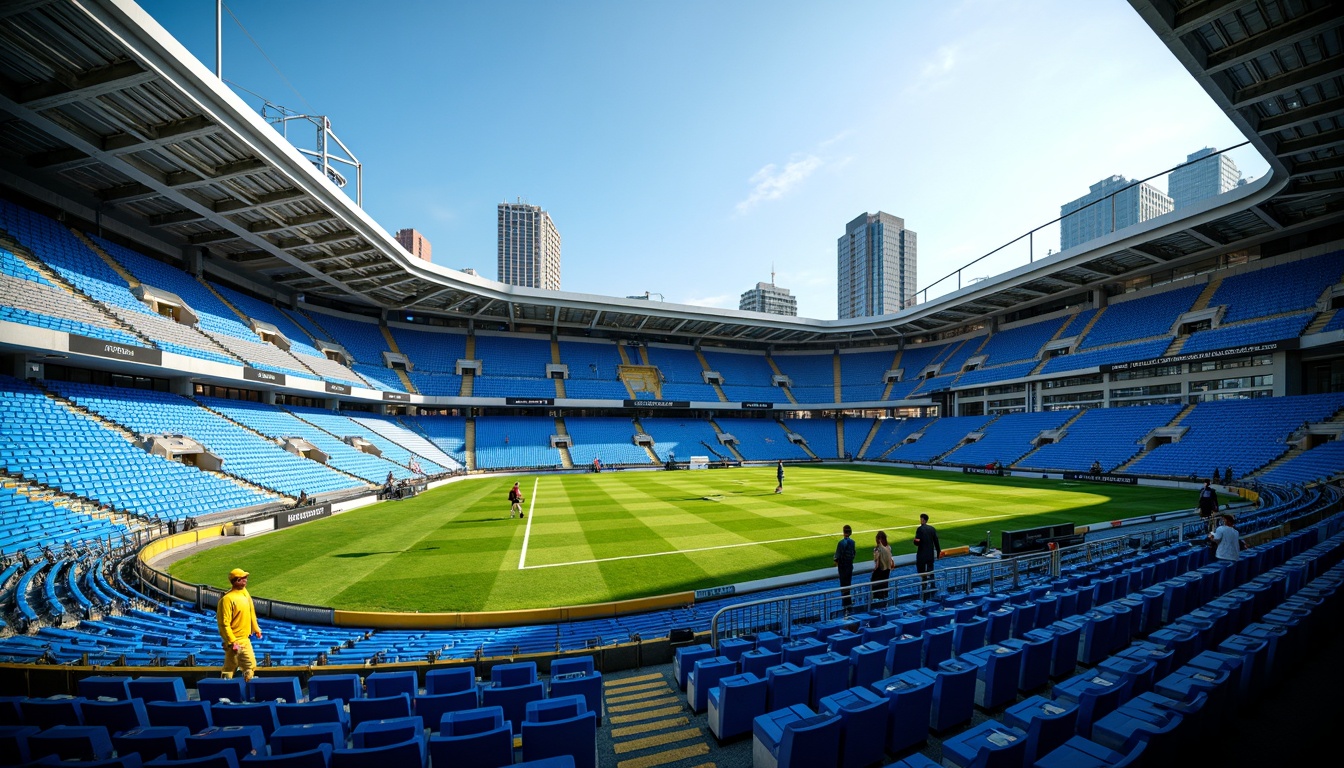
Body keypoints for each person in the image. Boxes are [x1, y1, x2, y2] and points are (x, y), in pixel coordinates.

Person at [217, 567, 262, 682]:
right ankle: (244, 687)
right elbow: (224, 624)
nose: (246, 580)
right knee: (248, 665)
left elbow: (251, 610)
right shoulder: (227, 599)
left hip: (243, 639)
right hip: (236, 641)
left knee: (231, 667)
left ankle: (225, 687)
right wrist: (232, 641)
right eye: (243, 578)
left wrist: (256, 628)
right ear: (236, 580)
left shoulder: (244, 593)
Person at [914, 513, 942, 599]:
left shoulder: (920, 529)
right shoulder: (932, 529)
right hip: (930, 554)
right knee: (931, 571)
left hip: (922, 555)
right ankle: (933, 586)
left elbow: (917, 542)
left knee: (922, 572)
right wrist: (938, 552)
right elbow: (936, 542)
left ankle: (924, 586)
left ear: (923, 520)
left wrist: (914, 541)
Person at [834, 525, 856, 611]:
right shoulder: (853, 542)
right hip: (849, 566)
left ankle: (845, 604)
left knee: (843, 585)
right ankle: (848, 603)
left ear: (843, 532)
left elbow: (837, 556)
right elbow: (853, 554)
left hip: (843, 566)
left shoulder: (841, 543)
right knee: (848, 584)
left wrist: (836, 561)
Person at [871, 531, 893, 608]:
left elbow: (877, 562)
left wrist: (874, 571)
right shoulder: (888, 547)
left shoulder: (877, 549)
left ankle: (877, 603)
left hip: (880, 570)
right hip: (887, 570)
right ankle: (885, 602)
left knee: (876, 588)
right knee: (884, 585)